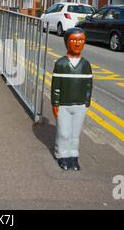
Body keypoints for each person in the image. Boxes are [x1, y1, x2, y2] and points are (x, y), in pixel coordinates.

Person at [51, 28, 93, 171]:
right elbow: (56, 86)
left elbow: (88, 85)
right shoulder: (61, 64)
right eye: (73, 40)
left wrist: (87, 101)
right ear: (67, 42)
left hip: (80, 105)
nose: (77, 43)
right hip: (63, 104)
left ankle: (73, 156)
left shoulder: (86, 65)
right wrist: (55, 102)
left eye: (81, 40)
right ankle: (62, 155)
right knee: (63, 133)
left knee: (75, 134)